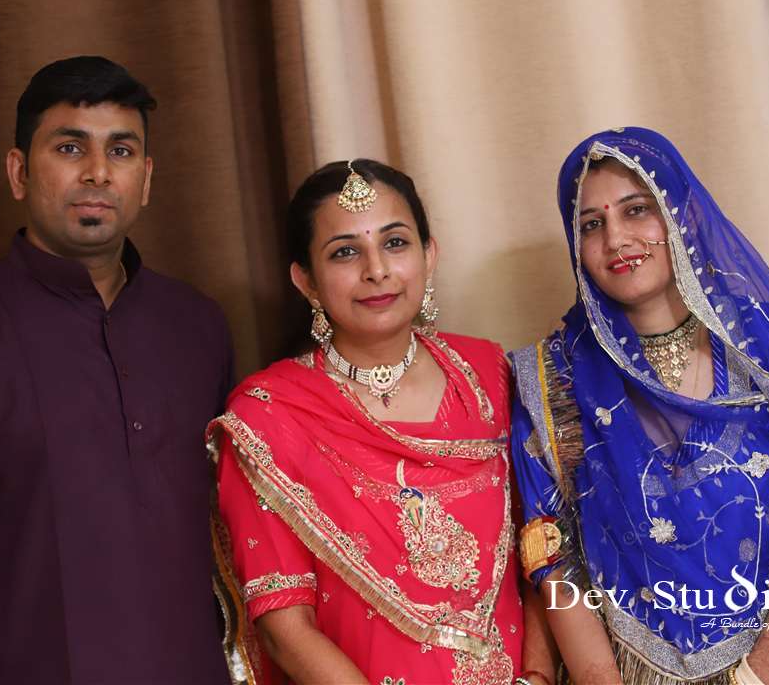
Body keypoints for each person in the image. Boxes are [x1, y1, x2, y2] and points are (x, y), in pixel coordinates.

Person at [0, 56, 233, 685]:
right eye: (70, 147)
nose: (98, 172)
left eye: (121, 151)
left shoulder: (199, 327)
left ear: (146, 179)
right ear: (18, 172)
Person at [510, 127, 769, 684]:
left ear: (680, 214)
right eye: (591, 224)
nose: (616, 239)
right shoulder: (552, 379)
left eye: (637, 210)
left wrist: (754, 678)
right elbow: (553, 558)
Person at [208, 160, 551, 684]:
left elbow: (542, 552)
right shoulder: (270, 417)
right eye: (345, 252)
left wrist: (539, 676)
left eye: (395, 243)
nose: (377, 270)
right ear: (306, 281)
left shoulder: (489, 376)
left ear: (428, 254)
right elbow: (284, 627)